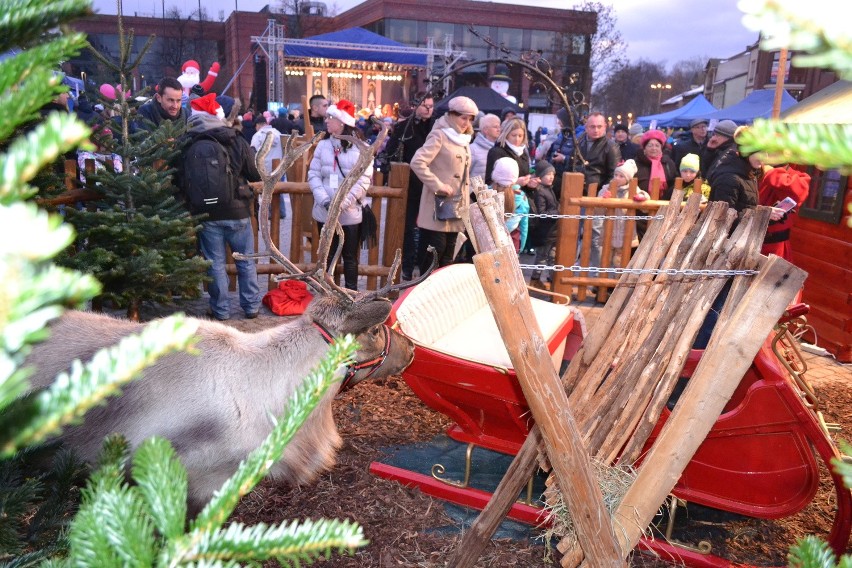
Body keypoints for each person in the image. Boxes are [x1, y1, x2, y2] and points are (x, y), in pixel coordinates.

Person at [180, 93, 261, 321]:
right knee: (245, 261)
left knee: (215, 264)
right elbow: (255, 172)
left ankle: (221, 311)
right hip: (237, 211)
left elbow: (179, 178)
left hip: (207, 213)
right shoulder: (235, 138)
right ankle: (251, 307)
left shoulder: (188, 141)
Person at [308, 99, 372, 291]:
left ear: (342, 122)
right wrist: (325, 200)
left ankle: (351, 293)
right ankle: (329, 294)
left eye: (331, 117)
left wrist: (343, 203)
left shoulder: (362, 148)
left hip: (349, 212)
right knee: (327, 255)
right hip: (324, 210)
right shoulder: (322, 146)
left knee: (349, 256)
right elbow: (313, 174)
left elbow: (364, 180)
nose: (326, 121)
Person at [410, 96, 478, 274]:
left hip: (455, 207)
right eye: (463, 117)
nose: (466, 122)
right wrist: (437, 185)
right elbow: (417, 162)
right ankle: (423, 294)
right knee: (433, 255)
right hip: (437, 206)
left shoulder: (464, 140)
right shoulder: (439, 135)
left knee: (448, 256)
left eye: (470, 119)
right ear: (451, 115)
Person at [384, 93, 435, 280]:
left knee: (427, 229)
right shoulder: (404, 128)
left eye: (431, 106)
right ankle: (406, 265)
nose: (428, 109)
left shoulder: (437, 127)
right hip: (409, 185)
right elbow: (391, 153)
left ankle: (422, 266)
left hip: (430, 186)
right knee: (408, 228)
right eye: (424, 105)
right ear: (415, 106)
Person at [590, 159, 642, 280]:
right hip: (609, 231)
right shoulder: (606, 188)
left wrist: (641, 197)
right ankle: (602, 287)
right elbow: (598, 211)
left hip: (626, 232)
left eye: (621, 176)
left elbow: (645, 197)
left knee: (620, 262)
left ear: (627, 179)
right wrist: (603, 200)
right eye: (616, 175)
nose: (617, 178)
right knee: (605, 260)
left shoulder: (633, 189)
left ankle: (616, 286)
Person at [758, 165, 811, 261]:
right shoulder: (753, 170)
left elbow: (797, 194)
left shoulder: (797, 177)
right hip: (744, 240)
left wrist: (772, 173)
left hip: (775, 248)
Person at [704, 122, 759, 213]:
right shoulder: (729, 178)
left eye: (718, 135)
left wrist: (767, 214)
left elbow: (747, 206)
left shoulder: (749, 173)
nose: (714, 138)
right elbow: (722, 217)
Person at [575, 111, 621, 193]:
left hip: (597, 193)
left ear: (605, 127)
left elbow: (614, 174)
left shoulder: (611, 147)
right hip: (576, 189)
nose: (596, 130)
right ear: (586, 127)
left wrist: (603, 192)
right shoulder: (579, 142)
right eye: (592, 127)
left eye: (599, 127)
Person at [530, 160, 559, 284]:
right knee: (542, 257)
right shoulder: (541, 192)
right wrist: (557, 213)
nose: (551, 177)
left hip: (551, 231)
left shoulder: (549, 189)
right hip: (545, 232)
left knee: (552, 256)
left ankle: (552, 279)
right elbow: (541, 213)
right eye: (548, 174)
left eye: (553, 174)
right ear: (540, 176)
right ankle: (535, 280)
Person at [636, 129, 678, 200]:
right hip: (640, 204)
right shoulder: (636, 163)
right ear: (644, 148)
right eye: (650, 145)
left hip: (664, 205)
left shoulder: (668, 163)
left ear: (661, 148)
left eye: (657, 146)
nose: (654, 148)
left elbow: (674, 183)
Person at [470, 113, 500, 181]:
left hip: (495, 191)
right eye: (495, 127)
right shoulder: (472, 149)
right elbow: (465, 176)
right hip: (476, 191)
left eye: (499, 126)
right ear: (485, 130)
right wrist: (481, 191)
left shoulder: (501, 149)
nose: (499, 129)